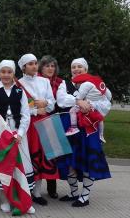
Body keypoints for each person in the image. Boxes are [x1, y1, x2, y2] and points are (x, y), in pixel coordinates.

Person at [56, 58, 111, 207]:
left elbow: (106, 103)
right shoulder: (64, 84)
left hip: (88, 128)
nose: (76, 69)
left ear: (86, 69)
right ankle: (73, 192)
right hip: (70, 128)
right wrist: (78, 101)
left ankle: (85, 196)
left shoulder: (94, 83)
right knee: (69, 162)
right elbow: (61, 100)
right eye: (73, 67)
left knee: (87, 160)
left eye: (80, 66)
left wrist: (90, 104)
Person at [0, 60, 35, 214]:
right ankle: (5, 199)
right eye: (3, 72)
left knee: (18, 166)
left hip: (17, 133)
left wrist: (20, 133)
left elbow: (26, 115)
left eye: (9, 72)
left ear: (14, 74)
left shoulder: (20, 92)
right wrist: (1, 132)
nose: (6, 75)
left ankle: (22, 198)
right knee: (3, 166)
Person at [17, 54, 58, 206]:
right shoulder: (19, 83)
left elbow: (52, 103)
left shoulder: (45, 81)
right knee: (31, 156)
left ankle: (37, 192)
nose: (34, 66)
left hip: (46, 121)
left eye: (35, 63)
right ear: (23, 67)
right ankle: (28, 189)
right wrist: (34, 110)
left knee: (43, 157)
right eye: (30, 64)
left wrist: (45, 102)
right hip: (29, 124)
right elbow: (19, 106)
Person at [38, 55, 65, 199]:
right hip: (36, 118)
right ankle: (34, 188)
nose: (50, 68)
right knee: (35, 155)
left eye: (52, 66)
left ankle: (51, 188)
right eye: (47, 65)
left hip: (53, 120)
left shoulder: (60, 83)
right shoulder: (34, 81)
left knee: (51, 156)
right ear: (41, 67)